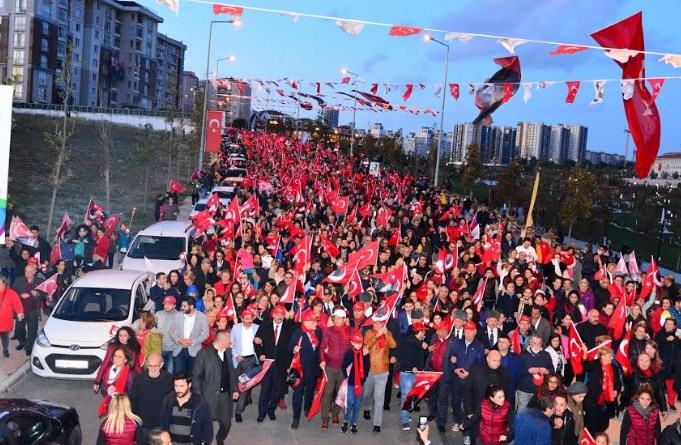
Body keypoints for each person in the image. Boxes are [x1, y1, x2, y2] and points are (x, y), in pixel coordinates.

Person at [193, 330, 239, 445]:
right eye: (229, 340)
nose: (231, 342)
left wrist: (234, 389)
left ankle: (220, 438)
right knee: (204, 424)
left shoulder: (228, 352)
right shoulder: (203, 354)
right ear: (222, 341)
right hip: (208, 396)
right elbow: (196, 376)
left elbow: (231, 372)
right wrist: (199, 397)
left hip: (224, 395)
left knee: (226, 424)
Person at [254, 305, 294, 422]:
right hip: (267, 364)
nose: (279, 317)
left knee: (277, 391)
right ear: (273, 314)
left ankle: (271, 410)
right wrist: (260, 354)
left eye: (282, 315)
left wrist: (288, 366)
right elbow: (256, 341)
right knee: (265, 390)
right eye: (277, 314)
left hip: (281, 365)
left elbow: (289, 348)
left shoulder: (288, 327)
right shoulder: (265, 325)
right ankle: (262, 413)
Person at [288, 310, 322, 429]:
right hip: (300, 370)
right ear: (306, 322)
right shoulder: (298, 333)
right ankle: (296, 418)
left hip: (313, 369)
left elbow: (320, 348)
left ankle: (307, 408)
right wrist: (294, 349)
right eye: (313, 322)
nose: (316, 324)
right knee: (297, 394)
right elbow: (289, 347)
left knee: (310, 392)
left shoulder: (318, 332)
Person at [361, 317, 397, 431]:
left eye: (380, 323)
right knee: (366, 393)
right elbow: (366, 344)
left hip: (383, 370)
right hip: (369, 370)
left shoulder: (387, 332)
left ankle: (377, 423)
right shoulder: (368, 332)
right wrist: (377, 335)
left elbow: (393, 345)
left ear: (383, 323)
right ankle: (367, 407)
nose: (377, 325)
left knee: (379, 397)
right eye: (375, 323)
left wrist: (386, 334)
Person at [319, 307, 352, 430]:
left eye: (339, 318)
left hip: (344, 368)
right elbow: (322, 346)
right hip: (330, 366)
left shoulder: (351, 331)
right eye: (335, 318)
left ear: (344, 319)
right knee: (327, 392)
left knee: (341, 393)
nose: (336, 320)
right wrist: (322, 360)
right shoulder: (329, 330)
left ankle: (335, 414)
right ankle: (324, 418)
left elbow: (357, 344)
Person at [159, 371, 213, 445]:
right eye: (176, 386)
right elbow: (162, 423)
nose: (178, 389)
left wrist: (204, 442)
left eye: (181, 386)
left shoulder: (200, 403)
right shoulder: (168, 400)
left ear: (189, 385)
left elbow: (207, 428)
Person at [129, 353, 173, 436]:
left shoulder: (169, 379)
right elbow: (132, 400)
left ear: (162, 365)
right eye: (150, 366)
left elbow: (172, 402)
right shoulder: (139, 379)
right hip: (143, 424)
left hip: (162, 424)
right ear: (146, 364)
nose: (153, 369)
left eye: (156, 366)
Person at [583, 347, 622, 435]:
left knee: (603, 425)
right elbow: (585, 366)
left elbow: (618, 382)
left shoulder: (614, 368)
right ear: (602, 357)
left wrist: (616, 390)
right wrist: (585, 354)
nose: (611, 358)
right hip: (593, 401)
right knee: (590, 426)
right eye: (609, 356)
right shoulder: (595, 365)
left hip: (606, 403)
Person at [399, 320, 428, 431]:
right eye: (423, 331)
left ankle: (405, 413)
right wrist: (412, 367)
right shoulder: (410, 341)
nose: (424, 333)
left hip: (416, 373)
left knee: (412, 396)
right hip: (407, 373)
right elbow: (405, 356)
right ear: (420, 332)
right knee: (406, 396)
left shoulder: (418, 341)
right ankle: (405, 420)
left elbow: (422, 356)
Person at [231, 308, 259, 422]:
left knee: (244, 385)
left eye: (250, 319)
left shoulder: (257, 328)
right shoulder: (236, 327)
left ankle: (238, 411)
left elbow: (261, 344)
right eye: (246, 319)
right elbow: (231, 344)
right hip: (238, 360)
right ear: (241, 318)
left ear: (253, 318)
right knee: (234, 384)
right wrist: (236, 355)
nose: (248, 321)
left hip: (250, 361)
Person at [169, 297, 209, 374]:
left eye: (184, 306)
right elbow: (171, 331)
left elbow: (206, 334)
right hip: (179, 351)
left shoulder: (202, 317)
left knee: (193, 376)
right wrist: (178, 340)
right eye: (182, 306)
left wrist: (192, 341)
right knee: (179, 376)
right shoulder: (177, 316)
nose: (182, 308)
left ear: (191, 306)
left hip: (194, 351)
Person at [12, 261, 44, 355]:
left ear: (34, 272)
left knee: (32, 329)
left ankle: (29, 347)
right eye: (26, 271)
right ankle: (22, 342)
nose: (27, 273)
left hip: (33, 310)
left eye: (30, 271)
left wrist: (37, 293)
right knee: (19, 328)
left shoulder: (39, 281)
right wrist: (20, 295)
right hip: (20, 309)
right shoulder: (19, 280)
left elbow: (44, 294)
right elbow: (12, 293)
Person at [341, 330, 370, 434]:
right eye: (356, 343)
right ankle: (345, 421)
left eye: (360, 343)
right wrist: (346, 377)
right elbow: (343, 366)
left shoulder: (365, 353)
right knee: (349, 403)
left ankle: (354, 423)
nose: (358, 345)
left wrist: (363, 378)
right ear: (352, 342)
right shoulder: (349, 353)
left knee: (357, 404)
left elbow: (367, 367)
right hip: (350, 382)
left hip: (360, 383)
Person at [517, 335, 554, 412]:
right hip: (524, 390)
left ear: (542, 344)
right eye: (534, 343)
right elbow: (516, 372)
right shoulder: (522, 355)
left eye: (539, 343)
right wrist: (528, 371)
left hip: (540, 391)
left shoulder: (546, 355)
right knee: (522, 411)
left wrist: (546, 371)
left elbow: (552, 371)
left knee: (538, 413)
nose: (537, 345)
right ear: (530, 343)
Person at [95, 347, 136, 416]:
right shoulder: (109, 370)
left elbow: (132, 394)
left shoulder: (130, 374)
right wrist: (108, 391)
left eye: (120, 357)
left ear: (125, 360)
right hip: (110, 406)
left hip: (123, 409)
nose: (116, 359)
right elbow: (103, 388)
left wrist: (116, 392)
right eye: (115, 356)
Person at [0, 276, 23, 358]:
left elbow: (17, 304)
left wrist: (20, 313)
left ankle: (5, 351)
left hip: (5, 321)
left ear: (4, 283)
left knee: (5, 338)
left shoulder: (11, 293)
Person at [156, 296, 178, 374]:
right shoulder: (158, 314)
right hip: (159, 349)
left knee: (170, 372)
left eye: (169, 304)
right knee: (158, 372)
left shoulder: (179, 316)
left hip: (172, 349)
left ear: (174, 305)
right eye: (165, 304)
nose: (167, 306)